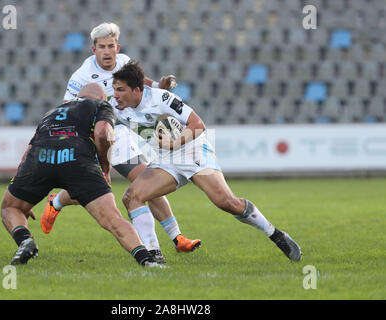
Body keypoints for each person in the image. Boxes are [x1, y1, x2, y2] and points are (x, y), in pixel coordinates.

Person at [110, 60, 302, 262]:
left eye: (120, 90)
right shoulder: (117, 107)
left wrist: (174, 142)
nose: (115, 95)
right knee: (132, 197)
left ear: (137, 90)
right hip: (166, 158)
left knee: (226, 202)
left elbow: (198, 124)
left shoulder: (162, 98)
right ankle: (153, 254)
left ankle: (276, 235)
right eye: (114, 89)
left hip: (192, 150)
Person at [41, 22, 200, 262]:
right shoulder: (82, 76)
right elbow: (68, 108)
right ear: (93, 49)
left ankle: (176, 239)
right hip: (93, 136)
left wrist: (159, 85)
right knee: (91, 190)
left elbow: (141, 82)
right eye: (102, 46)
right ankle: (58, 200)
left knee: (144, 179)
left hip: (120, 133)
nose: (107, 51)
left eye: (111, 46)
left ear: (117, 47)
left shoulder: (124, 61)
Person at [1, 83, 161, 267]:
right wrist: (105, 167)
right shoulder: (101, 106)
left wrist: (24, 195)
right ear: (102, 98)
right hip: (77, 161)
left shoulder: (52, 112)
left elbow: (28, 152)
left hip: (40, 158)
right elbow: (102, 133)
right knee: (112, 219)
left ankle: (24, 240)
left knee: (10, 207)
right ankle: (146, 259)